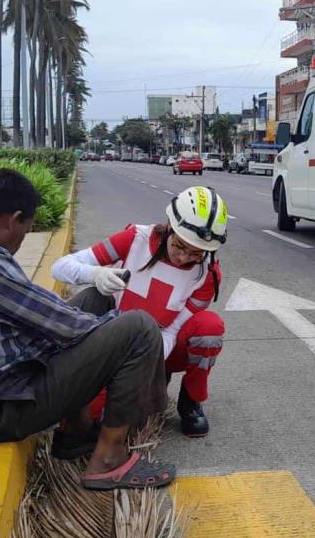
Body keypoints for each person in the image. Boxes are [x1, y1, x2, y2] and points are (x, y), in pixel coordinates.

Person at [0, 168, 175, 490]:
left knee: (95, 298)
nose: (21, 241)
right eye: (26, 230)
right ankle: (109, 460)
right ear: (12, 220)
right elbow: (63, 326)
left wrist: (98, 319)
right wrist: (114, 334)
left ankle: (75, 434)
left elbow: (39, 315)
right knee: (139, 327)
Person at [52, 185, 228, 438]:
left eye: (196, 253)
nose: (183, 257)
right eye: (179, 245)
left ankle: (191, 402)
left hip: (161, 346)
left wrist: (149, 363)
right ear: (169, 226)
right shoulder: (135, 239)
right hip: (116, 344)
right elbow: (60, 267)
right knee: (89, 419)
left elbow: (173, 329)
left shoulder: (207, 274)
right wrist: (95, 273)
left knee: (209, 328)